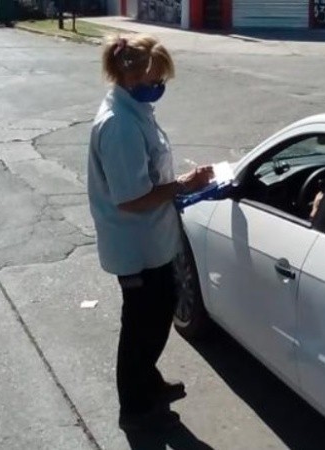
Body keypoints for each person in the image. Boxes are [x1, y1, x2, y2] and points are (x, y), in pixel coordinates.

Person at [87, 34, 214, 432]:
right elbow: (131, 198)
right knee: (143, 325)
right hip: (135, 246)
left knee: (154, 319)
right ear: (130, 76)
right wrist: (182, 186)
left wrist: (176, 186)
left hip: (150, 240)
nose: (159, 88)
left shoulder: (133, 108)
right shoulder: (120, 125)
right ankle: (136, 405)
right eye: (154, 80)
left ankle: (148, 382)